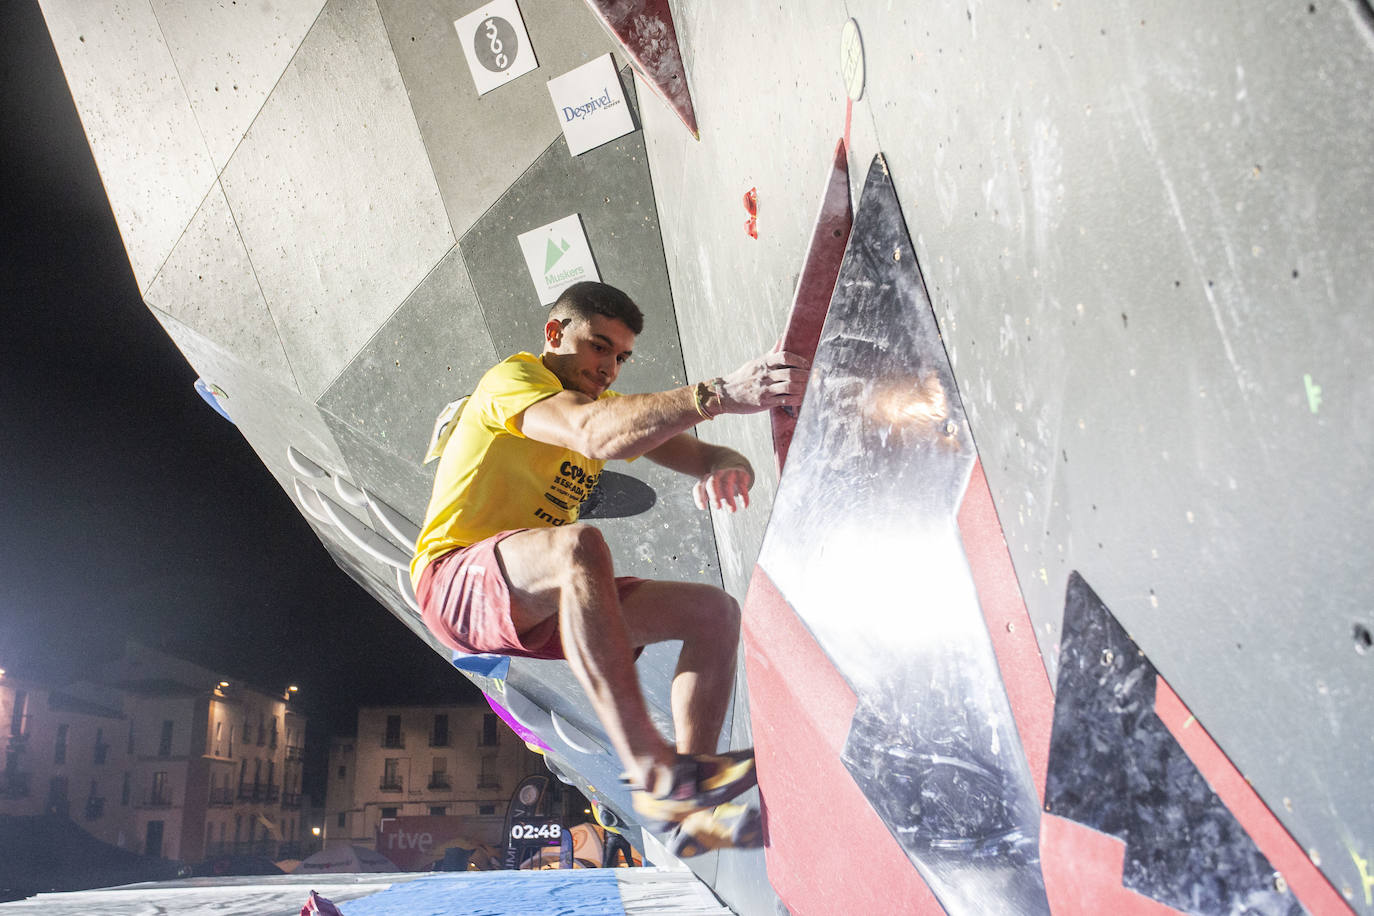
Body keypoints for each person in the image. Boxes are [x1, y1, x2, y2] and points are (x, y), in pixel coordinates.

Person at [409, 281, 808, 854]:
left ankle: (688, 800)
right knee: (578, 547)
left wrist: (725, 463)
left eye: (621, 357)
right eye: (599, 347)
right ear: (555, 334)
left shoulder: (603, 409)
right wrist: (721, 392)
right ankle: (652, 766)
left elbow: (691, 448)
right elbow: (593, 432)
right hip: (454, 582)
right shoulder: (515, 381)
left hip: (537, 598)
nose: (610, 368)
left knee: (712, 613)